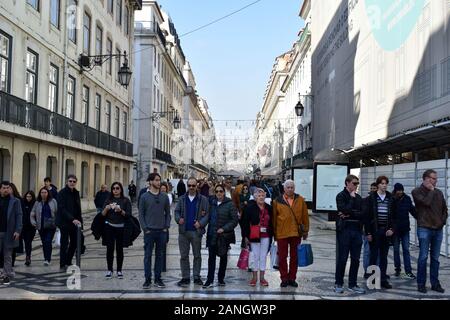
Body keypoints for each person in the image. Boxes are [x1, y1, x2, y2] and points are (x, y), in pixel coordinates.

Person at [412, 169, 447, 294]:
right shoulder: (416, 191)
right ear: (426, 179)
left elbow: (445, 209)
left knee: (435, 259)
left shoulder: (439, 192)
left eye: (436, 179)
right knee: (423, 257)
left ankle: (435, 284)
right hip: (424, 229)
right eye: (433, 178)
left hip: (438, 230)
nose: (435, 181)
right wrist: (431, 191)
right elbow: (426, 202)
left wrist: (442, 222)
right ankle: (421, 284)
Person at [272, 179, 309, 288]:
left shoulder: (300, 200)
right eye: (288, 187)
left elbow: (305, 216)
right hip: (282, 233)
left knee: (295, 257)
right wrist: (274, 234)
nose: (290, 189)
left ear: (294, 188)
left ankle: (292, 278)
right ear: (284, 188)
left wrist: (305, 230)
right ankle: (284, 278)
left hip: (296, 233)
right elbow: (274, 218)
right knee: (282, 257)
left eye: (292, 187)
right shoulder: (277, 201)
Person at [175, 177, 210, 287]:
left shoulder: (203, 199)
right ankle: (185, 277)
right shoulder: (182, 199)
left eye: (193, 185)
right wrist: (178, 219)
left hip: (196, 232)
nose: (191, 187)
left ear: (197, 186)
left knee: (197, 255)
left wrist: (200, 223)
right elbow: (176, 211)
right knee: (184, 256)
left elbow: (208, 214)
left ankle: (196, 276)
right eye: (189, 185)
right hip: (183, 232)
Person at [203, 184, 238, 289]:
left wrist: (224, 228)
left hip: (223, 235)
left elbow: (234, 220)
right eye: (217, 191)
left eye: (221, 191)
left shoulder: (230, 204)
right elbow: (206, 215)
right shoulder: (211, 202)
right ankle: (209, 280)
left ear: (224, 192)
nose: (218, 193)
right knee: (211, 258)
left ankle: (221, 279)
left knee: (223, 257)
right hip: (212, 234)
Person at [334, 175, 365, 294]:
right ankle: (339, 283)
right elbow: (343, 210)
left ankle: (353, 284)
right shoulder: (341, 196)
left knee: (356, 259)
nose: (356, 186)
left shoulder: (359, 198)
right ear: (347, 183)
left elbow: (362, 213)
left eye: (357, 183)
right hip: (345, 230)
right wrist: (351, 201)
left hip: (357, 230)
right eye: (354, 183)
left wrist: (349, 213)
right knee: (342, 258)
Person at [139, 173, 171, 289]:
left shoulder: (164, 197)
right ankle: (147, 279)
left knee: (159, 256)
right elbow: (141, 214)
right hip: (149, 232)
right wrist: (145, 229)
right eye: (156, 180)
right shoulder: (144, 197)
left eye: (159, 180)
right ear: (151, 182)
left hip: (161, 231)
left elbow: (168, 213)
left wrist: (166, 226)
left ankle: (158, 279)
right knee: (147, 256)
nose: (159, 182)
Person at [363, 176, 395, 289]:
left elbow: (394, 217)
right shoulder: (370, 198)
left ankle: (382, 280)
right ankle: (372, 280)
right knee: (373, 255)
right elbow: (366, 217)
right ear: (377, 185)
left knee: (384, 257)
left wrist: (392, 229)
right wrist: (368, 233)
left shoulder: (391, 198)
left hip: (385, 231)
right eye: (382, 183)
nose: (384, 185)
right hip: (374, 231)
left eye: (386, 183)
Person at [242, 188, 273, 287]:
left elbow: (272, 222)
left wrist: (274, 234)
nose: (261, 197)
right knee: (255, 256)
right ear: (255, 197)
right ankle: (254, 277)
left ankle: (262, 278)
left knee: (263, 256)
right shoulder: (250, 207)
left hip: (266, 235)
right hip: (254, 235)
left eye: (263, 195)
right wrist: (245, 236)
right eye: (259, 195)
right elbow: (244, 222)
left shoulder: (269, 208)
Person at [101, 182, 132, 279]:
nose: (115, 190)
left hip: (121, 228)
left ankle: (119, 270)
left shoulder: (126, 200)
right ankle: (109, 270)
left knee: (119, 250)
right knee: (109, 249)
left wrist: (120, 211)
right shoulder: (108, 200)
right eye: (113, 188)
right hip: (109, 227)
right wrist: (106, 209)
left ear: (121, 189)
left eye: (117, 188)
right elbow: (102, 214)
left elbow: (128, 215)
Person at [56, 174, 83, 270]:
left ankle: (68, 260)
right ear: (67, 182)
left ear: (76, 183)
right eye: (70, 181)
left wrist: (80, 223)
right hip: (64, 222)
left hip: (75, 222)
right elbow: (62, 209)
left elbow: (78, 209)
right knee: (64, 243)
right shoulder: (62, 193)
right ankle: (63, 264)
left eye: (74, 181)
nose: (72, 183)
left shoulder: (76, 193)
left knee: (75, 242)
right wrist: (72, 219)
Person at [391, 183, 416, 279]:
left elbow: (412, 210)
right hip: (395, 230)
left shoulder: (407, 199)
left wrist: (419, 218)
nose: (400, 192)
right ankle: (397, 268)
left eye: (401, 190)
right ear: (395, 190)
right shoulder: (392, 199)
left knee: (406, 250)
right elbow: (390, 215)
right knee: (396, 250)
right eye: (398, 190)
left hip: (405, 229)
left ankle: (408, 271)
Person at [0, 181, 22, 285]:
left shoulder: (15, 201)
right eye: (4, 188)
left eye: (7, 188)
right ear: (0, 189)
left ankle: (6, 276)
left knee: (7, 255)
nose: (6, 190)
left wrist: (18, 230)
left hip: (9, 232)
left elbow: (19, 216)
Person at [31, 187, 57, 266]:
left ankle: (47, 259)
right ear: (40, 193)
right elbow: (32, 213)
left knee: (48, 241)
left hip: (51, 226)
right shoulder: (37, 202)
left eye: (45, 192)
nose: (43, 194)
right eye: (42, 192)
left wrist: (57, 223)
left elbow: (57, 212)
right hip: (41, 226)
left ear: (48, 193)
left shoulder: (53, 201)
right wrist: (33, 222)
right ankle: (46, 257)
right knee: (44, 242)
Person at [363, 182, 378, 279]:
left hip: (377, 230)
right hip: (367, 229)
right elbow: (364, 216)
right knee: (367, 251)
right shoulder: (366, 200)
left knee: (377, 252)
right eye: (371, 188)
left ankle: (376, 271)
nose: (372, 190)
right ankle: (367, 271)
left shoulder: (381, 200)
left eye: (374, 188)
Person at [21, 191, 37, 266]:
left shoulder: (35, 204)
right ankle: (28, 257)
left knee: (28, 242)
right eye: (27, 196)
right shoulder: (22, 203)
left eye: (30, 196)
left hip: (31, 227)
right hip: (24, 227)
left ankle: (28, 257)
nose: (28, 198)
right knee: (26, 242)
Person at [160, 183, 171, 273]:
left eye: (164, 188)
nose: (163, 190)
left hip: (165, 220)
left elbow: (167, 207)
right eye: (162, 188)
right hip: (158, 220)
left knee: (164, 242)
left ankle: (163, 267)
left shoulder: (168, 196)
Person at [238, 184, 251, 249]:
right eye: (244, 189)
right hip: (242, 213)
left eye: (246, 188)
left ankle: (246, 241)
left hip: (248, 214)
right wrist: (244, 203)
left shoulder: (250, 196)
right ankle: (243, 241)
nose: (245, 190)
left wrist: (246, 203)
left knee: (247, 228)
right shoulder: (240, 196)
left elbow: (250, 204)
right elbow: (239, 204)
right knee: (243, 228)